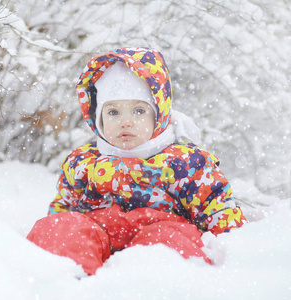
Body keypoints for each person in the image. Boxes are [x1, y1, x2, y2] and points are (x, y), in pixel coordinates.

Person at [27, 47, 247, 275]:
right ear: (97, 118)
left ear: (158, 114)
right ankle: (66, 281)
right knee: (59, 229)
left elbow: (215, 207)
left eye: (139, 111)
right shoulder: (82, 162)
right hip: (96, 237)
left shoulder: (185, 162)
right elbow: (63, 210)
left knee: (172, 241)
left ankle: (152, 283)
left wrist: (238, 246)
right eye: (113, 112)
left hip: (159, 231)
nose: (126, 122)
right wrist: (59, 227)